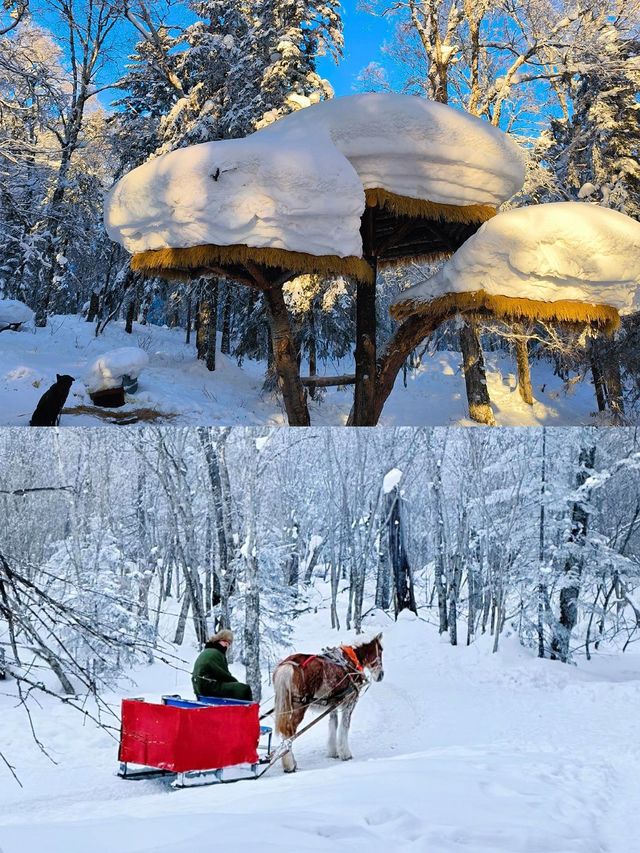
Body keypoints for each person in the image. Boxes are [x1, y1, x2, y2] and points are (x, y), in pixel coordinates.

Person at [191, 629, 253, 701]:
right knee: (244, 689)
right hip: (208, 687)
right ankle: (247, 710)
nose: (226, 647)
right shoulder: (217, 653)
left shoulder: (207, 651)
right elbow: (224, 675)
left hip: (198, 687)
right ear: (219, 640)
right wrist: (236, 683)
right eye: (225, 643)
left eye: (228, 644)